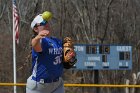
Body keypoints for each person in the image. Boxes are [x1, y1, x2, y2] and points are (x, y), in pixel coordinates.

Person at [26, 13, 64, 93]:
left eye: (47, 22)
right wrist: (37, 37)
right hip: (39, 86)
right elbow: (35, 45)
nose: (46, 24)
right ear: (36, 29)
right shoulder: (41, 41)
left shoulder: (57, 41)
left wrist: (69, 56)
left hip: (57, 84)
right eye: (43, 23)